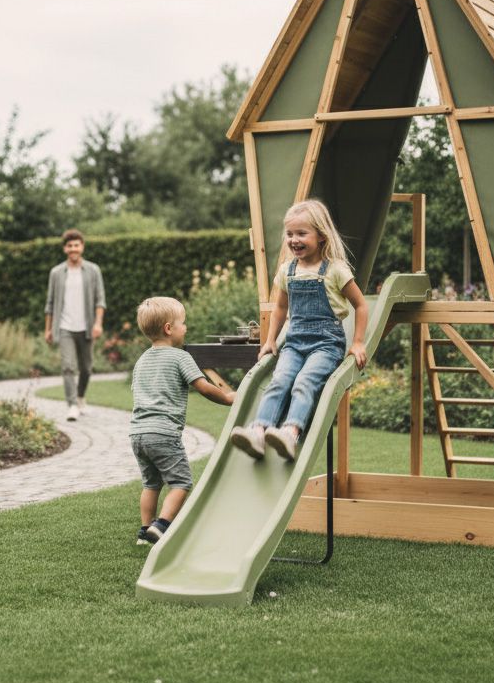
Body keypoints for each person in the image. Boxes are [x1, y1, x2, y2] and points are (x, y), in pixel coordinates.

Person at [231, 199, 368, 462]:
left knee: (304, 382)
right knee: (279, 381)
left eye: (302, 233)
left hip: (326, 344)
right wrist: (270, 340)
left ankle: (290, 433)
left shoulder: (336, 269)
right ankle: (258, 432)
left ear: (321, 235)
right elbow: (280, 308)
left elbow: (361, 305)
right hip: (294, 343)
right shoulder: (287, 270)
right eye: (290, 234)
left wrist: (358, 341)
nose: (294, 240)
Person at [131, 296, 235, 545]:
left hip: (138, 433)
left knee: (151, 484)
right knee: (181, 482)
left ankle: (144, 531)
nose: (185, 328)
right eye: (183, 323)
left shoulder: (141, 360)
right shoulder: (180, 357)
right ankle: (162, 525)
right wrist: (228, 398)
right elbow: (204, 387)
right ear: (169, 328)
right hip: (164, 433)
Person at [44, 229, 106, 421]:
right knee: (68, 366)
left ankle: (80, 397)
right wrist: (48, 329)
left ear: (82, 247)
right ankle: (71, 405)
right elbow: (50, 303)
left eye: (76, 245)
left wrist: (98, 324)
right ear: (65, 249)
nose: (73, 249)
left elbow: (100, 300)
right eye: (69, 246)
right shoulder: (56, 273)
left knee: (86, 368)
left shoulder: (93, 270)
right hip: (64, 328)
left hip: (87, 327)